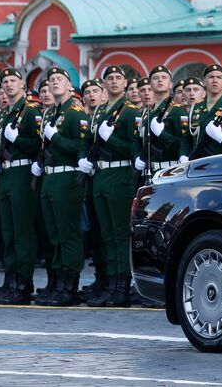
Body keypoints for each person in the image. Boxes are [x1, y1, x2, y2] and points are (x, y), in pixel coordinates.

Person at [80, 64, 140, 308]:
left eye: (118, 78)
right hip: (100, 175)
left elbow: (133, 148)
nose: (114, 81)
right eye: (110, 78)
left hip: (120, 173)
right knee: (105, 235)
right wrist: (85, 159)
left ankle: (121, 285)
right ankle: (110, 283)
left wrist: (110, 138)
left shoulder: (129, 112)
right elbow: (88, 141)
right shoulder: (99, 112)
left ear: (125, 83)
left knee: (119, 234)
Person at [0, 67, 41, 305]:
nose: (8, 85)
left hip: (21, 172)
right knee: (7, 232)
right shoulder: (4, 113)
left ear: (23, 85)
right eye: (5, 81)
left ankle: (23, 282)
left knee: (21, 231)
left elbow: (37, 144)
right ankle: (10, 279)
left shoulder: (30, 111)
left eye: (13, 81)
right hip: (6, 174)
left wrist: (16, 139)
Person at [35, 68, 89, 306]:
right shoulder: (51, 114)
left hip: (68, 178)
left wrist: (55, 137)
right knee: (53, 234)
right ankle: (57, 283)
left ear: (69, 85)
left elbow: (81, 147)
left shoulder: (75, 113)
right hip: (49, 177)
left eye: (60, 79)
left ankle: (70, 286)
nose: (55, 83)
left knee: (67, 233)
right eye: (51, 80)